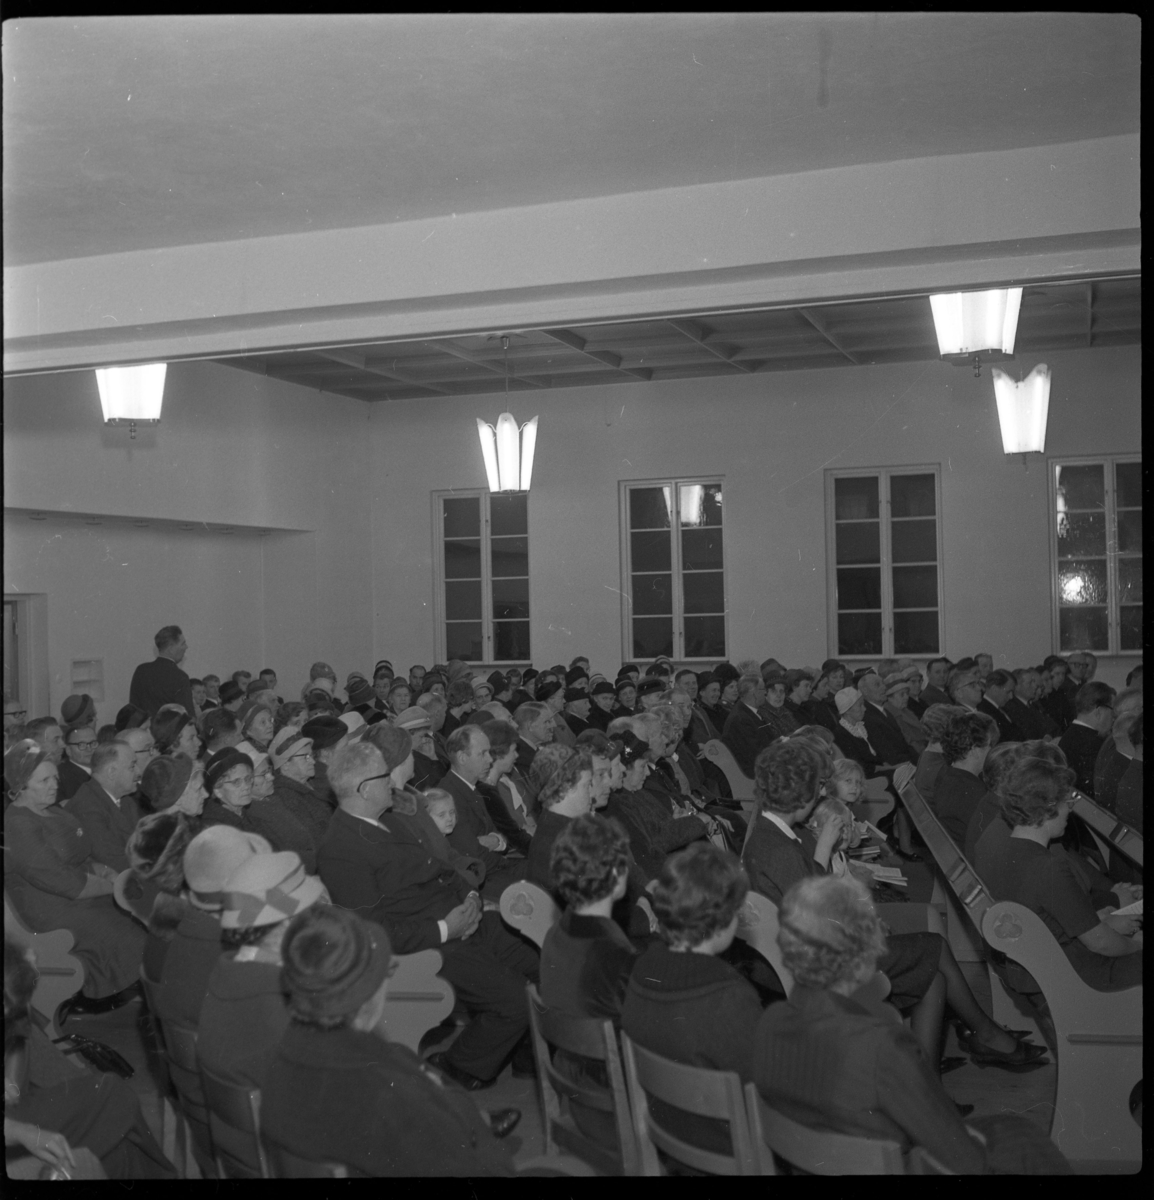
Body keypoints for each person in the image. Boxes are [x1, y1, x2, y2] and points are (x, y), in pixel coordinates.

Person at [742, 740, 1043, 1071]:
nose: (819, 797)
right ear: (800, 795)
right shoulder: (780, 848)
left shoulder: (771, 835)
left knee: (933, 977)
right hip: (817, 965)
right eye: (816, 789)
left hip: (810, 954)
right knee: (934, 948)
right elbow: (816, 913)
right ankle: (985, 1036)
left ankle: (932, 1076)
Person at [754, 875, 1071, 1175]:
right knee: (1023, 1139)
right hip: (895, 1165)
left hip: (816, 1162)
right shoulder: (882, 1047)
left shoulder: (772, 1021)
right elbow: (962, 1158)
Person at [316, 739, 538, 1091]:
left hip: (461, 916)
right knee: (514, 1001)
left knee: (540, 957)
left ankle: (528, 1057)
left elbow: (440, 868)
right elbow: (374, 930)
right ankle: (456, 1068)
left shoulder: (389, 819)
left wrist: (470, 896)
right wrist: (446, 928)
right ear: (365, 789)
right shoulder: (340, 850)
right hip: (427, 944)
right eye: (384, 776)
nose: (392, 781)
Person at [260, 905, 517, 1176]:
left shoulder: (277, 1064)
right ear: (367, 993)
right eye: (386, 971)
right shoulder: (390, 1095)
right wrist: (474, 1127)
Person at [620, 842, 764, 1156]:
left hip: (664, 1133)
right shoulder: (730, 994)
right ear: (722, 921)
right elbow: (761, 1091)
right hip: (727, 1150)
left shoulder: (641, 969)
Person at [4, 939, 177, 1179]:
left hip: (15, 1110)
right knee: (115, 1095)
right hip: (13, 1122)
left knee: (118, 1150)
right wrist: (21, 1132)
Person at [196, 852, 327, 1168]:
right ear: (289, 923)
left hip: (248, 1156)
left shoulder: (225, 976)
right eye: (310, 914)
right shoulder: (286, 1008)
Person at [974, 756, 1142, 992]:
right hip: (1072, 976)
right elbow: (1100, 943)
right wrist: (1137, 944)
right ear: (1048, 808)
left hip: (1037, 967)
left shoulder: (1004, 850)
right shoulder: (1048, 867)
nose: (1070, 809)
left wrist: (1098, 920)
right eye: (1066, 802)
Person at [4, 740, 146, 1009]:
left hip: (77, 895)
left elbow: (82, 855)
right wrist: (115, 885)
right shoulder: (18, 824)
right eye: (44, 781)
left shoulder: (53, 811)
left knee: (139, 915)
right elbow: (67, 883)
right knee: (129, 931)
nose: (54, 786)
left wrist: (104, 871)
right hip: (50, 909)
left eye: (55, 778)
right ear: (20, 786)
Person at [602, 729, 710, 882]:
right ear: (626, 771)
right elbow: (655, 843)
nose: (647, 773)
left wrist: (676, 820)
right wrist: (699, 821)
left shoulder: (637, 793)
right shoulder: (618, 805)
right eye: (642, 766)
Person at [62, 741, 143, 873]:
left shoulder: (125, 800)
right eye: (132, 766)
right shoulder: (86, 808)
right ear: (111, 772)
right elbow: (114, 862)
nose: (139, 772)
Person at [524, 750, 596, 891]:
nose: (592, 794)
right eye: (587, 785)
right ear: (567, 788)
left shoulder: (554, 827)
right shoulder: (561, 842)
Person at [934, 710, 998, 847]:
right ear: (975, 751)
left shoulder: (946, 772)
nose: (993, 751)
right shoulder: (974, 793)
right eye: (991, 745)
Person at [268, 727, 333, 845]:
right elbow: (313, 840)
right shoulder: (286, 798)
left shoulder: (308, 785)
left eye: (311, 755)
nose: (313, 761)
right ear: (285, 765)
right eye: (305, 757)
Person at [1058, 681, 1115, 797]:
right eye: (1112, 712)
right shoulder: (1092, 744)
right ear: (1099, 712)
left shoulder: (1071, 734)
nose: (1113, 719)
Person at [128, 625, 195, 719]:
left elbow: (133, 708)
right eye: (183, 643)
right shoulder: (180, 677)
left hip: (142, 727)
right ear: (171, 648)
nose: (186, 647)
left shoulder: (141, 670)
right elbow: (187, 716)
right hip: (167, 728)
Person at [720, 675, 776, 776]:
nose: (765, 692)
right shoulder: (740, 719)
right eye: (763, 689)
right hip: (754, 774)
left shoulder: (750, 712)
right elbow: (756, 754)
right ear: (753, 693)